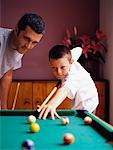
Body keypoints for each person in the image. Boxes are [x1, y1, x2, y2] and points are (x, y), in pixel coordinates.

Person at [38, 45, 99, 120]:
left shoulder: (73, 76)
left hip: (87, 105)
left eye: (62, 67)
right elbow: (78, 49)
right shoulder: (69, 57)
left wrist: (52, 104)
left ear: (71, 62)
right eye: (54, 68)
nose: (59, 72)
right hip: (78, 102)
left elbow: (65, 90)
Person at [0, 13, 45, 109]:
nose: (28, 46)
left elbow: (7, 74)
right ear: (16, 30)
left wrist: (3, 109)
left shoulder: (21, 46)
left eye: (34, 42)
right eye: (26, 38)